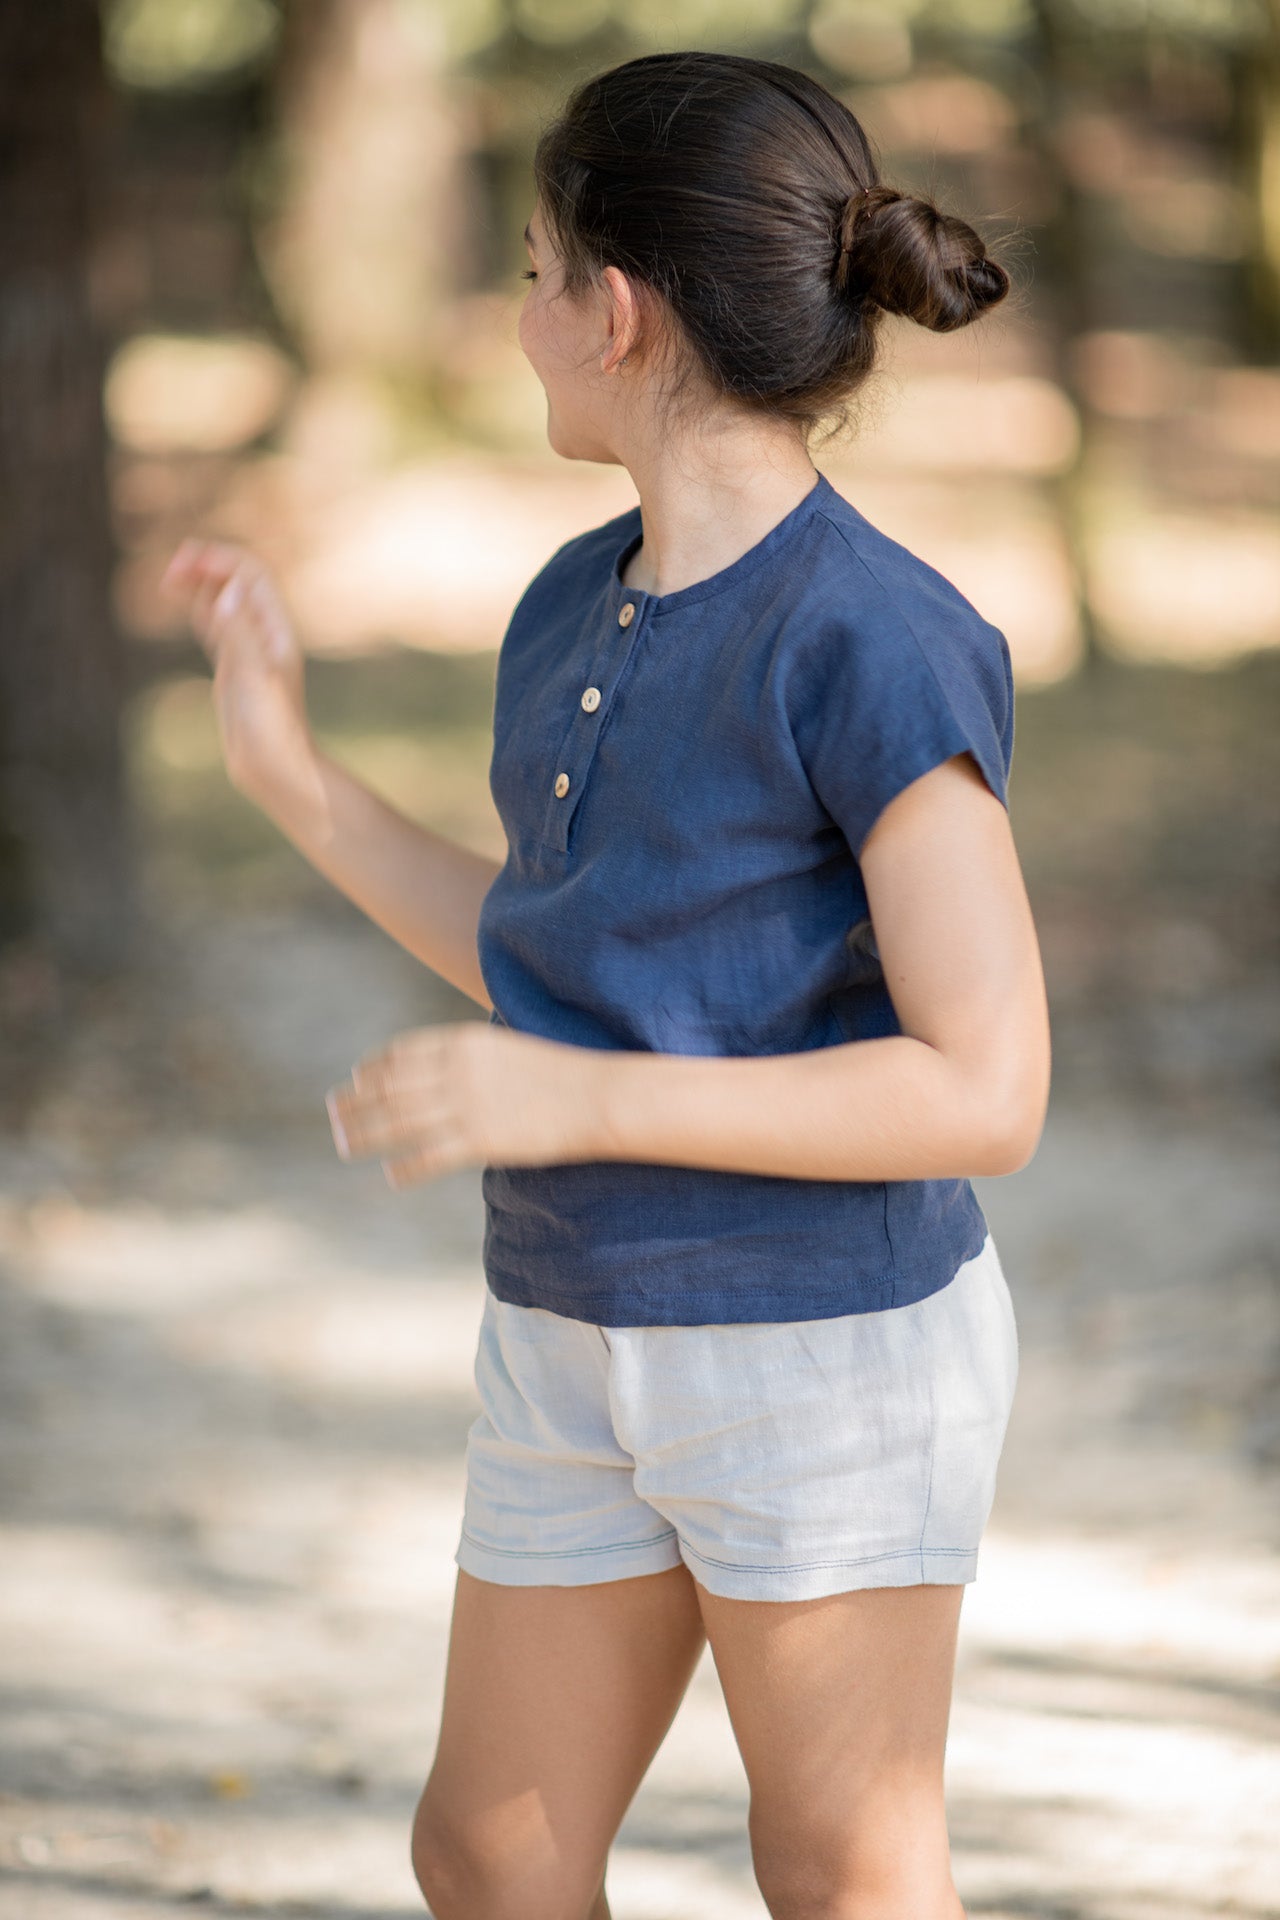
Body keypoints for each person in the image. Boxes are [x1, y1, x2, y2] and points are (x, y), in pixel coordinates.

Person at [163, 47, 1051, 1920]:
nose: (519, 310)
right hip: (570, 1324)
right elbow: (556, 949)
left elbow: (987, 1085)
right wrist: (287, 776)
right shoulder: (576, 602)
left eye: (537, 267)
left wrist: (572, 1097)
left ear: (617, 310)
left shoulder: (873, 641)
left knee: (842, 1872)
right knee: (490, 1850)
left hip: (825, 1354)